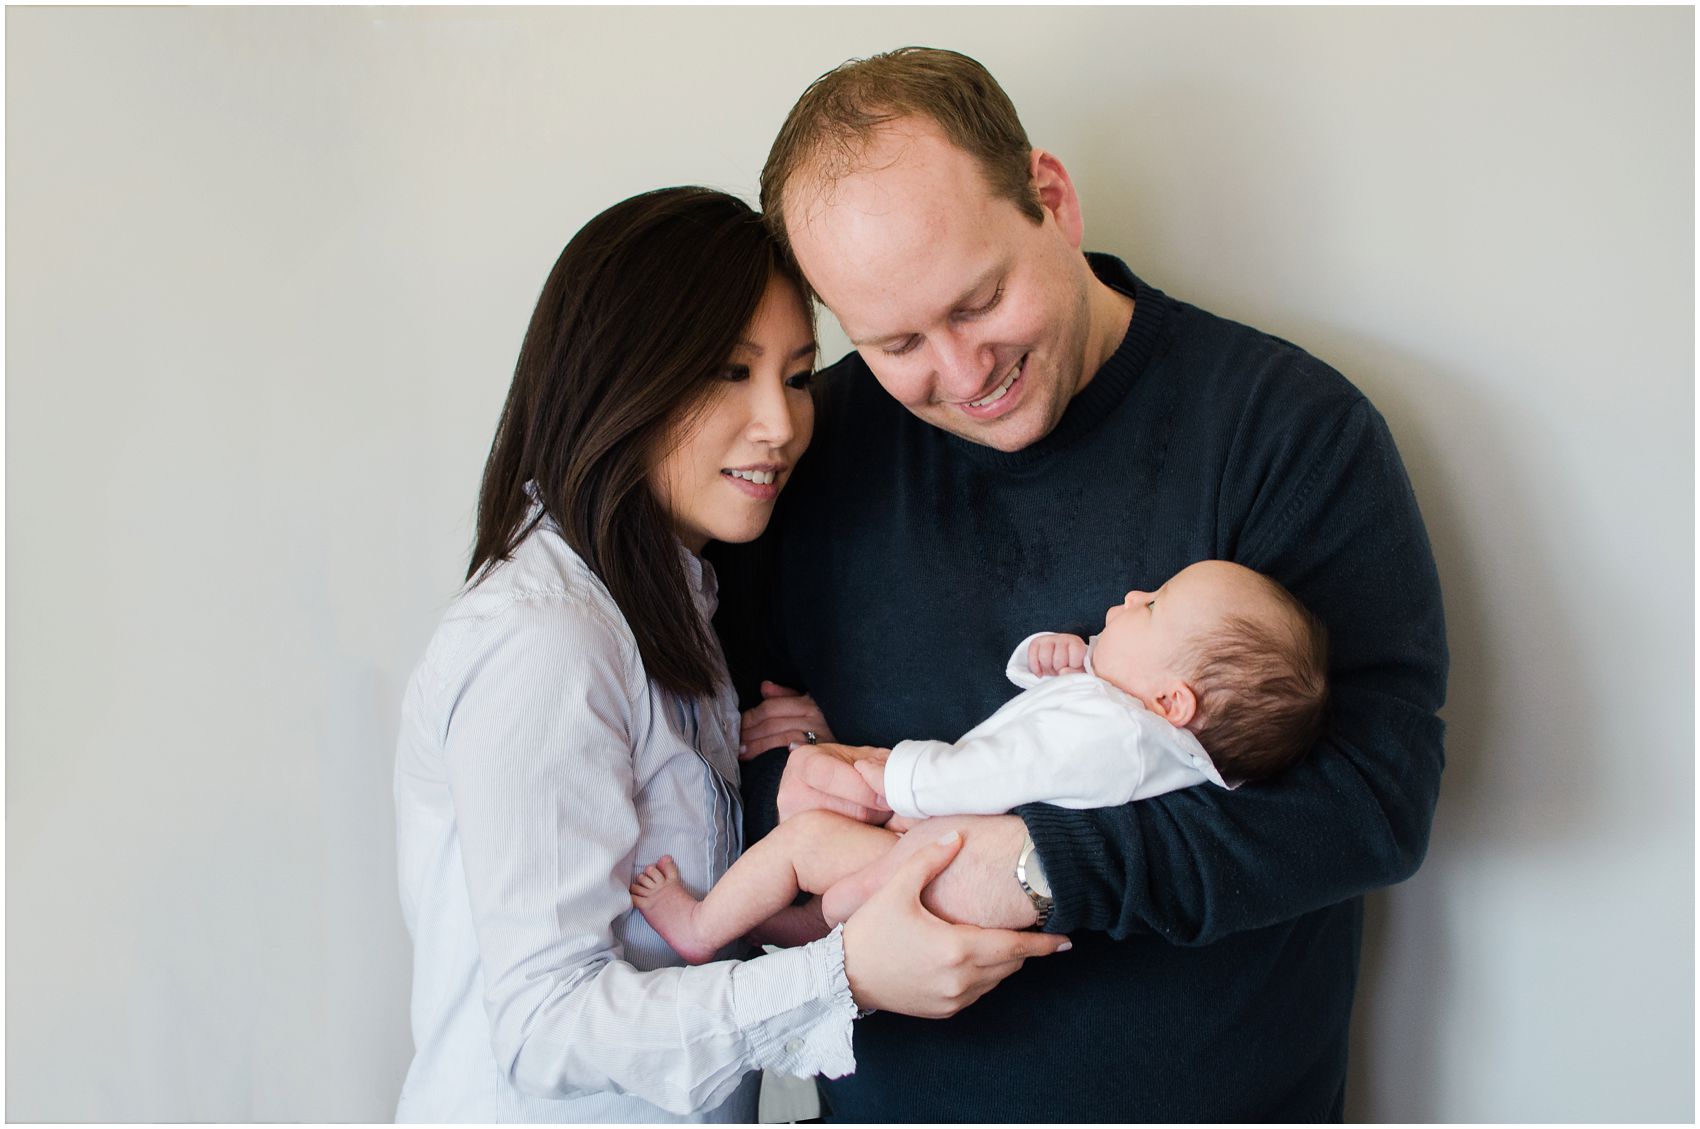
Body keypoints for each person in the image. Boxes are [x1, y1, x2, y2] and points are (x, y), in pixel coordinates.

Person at [712, 47, 1448, 1121]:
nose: (962, 377)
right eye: (895, 343)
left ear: (1048, 200)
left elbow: (1370, 804)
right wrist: (778, 789)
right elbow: (693, 773)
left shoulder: (1283, 430)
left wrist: (1037, 865)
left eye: (979, 302)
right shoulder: (802, 457)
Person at [391, 187, 1067, 1123]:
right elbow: (546, 1028)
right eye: (727, 372)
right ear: (618, 377)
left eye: (796, 375)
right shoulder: (544, 635)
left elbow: (678, 933)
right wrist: (846, 977)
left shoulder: (673, 607)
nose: (781, 424)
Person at [631, 559, 1329, 963]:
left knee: (809, 844)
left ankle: (702, 927)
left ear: (1173, 701)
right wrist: (1063, 658)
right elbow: (1047, 715)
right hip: (943, 853)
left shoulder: (1114, 734)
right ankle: (764, 924)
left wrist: (896, 774)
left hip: (942, 836)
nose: (1136, 595)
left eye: (1154, 606)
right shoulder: (1140, 728)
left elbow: (1006, 762)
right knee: (839, 900)